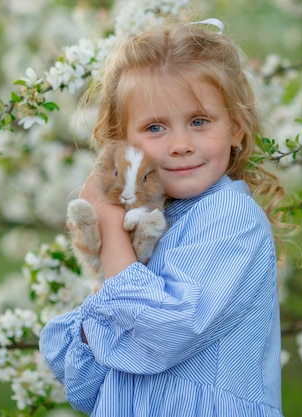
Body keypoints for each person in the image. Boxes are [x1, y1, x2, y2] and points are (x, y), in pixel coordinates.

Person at [39, 18, 288, 417]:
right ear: (124, 144)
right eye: (155, 127)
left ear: (236, 130)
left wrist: (106, 222)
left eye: (199, 121)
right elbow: (86, 387)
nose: (180, 145)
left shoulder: (230, 216)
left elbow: (162, 332)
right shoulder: (146, 232)